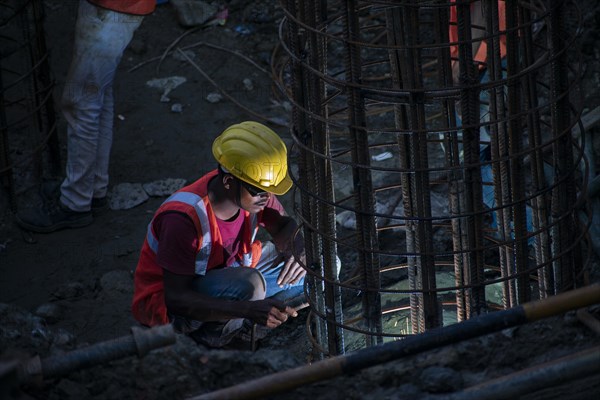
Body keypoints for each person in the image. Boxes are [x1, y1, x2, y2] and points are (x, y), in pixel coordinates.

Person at [132, 121, 307, 348]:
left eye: (270, 190)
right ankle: (218, 341)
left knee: (322, 265)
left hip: (232, 279)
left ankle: (247, 319)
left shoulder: (253, 194)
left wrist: (299, 249)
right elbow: (176, 299)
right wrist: (247, 309)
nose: (267, 197)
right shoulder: (182, 219)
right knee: (250, 286)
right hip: (176, 309)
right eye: (259, 190)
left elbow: (284, 226)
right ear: (228, 182)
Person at [15, 0, 156, 233]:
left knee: (81, 101)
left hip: (114, 7)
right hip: (113, 6)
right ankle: (93, 189)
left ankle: (75, 202)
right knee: (97, 93)